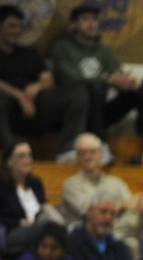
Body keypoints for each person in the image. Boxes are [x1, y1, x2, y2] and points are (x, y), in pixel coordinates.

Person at [0, 5, 87, 162]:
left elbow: (48, 78)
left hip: (37, 106)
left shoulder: (29, 53)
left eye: (19, 26)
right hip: (8, 108)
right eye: (11, 26)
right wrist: (20, 96)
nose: (16, 31)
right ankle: (10, 149)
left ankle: (67, 150)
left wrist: (37, 86)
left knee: (78, 92)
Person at [50, 4, 138, 141]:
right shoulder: (62, 48)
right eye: (85, 19)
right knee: (89, 88)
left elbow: (116, 75)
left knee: (137, 93)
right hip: (71, 107)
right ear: (74, 24)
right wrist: (106, 80)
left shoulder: (105, 50)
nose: (91, 24)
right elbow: (70, 78)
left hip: (99, 109)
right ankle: (96, 139)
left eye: (95, 20)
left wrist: (125, 82)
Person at [61, 132, 143, 259]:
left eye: (92, 152)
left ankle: (114, 240)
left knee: (132, 237)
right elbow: (90, 212)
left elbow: (133, 205)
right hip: (88, 234)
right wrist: (122, 205)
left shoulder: (115, 182)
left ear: (100, 155)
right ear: (77, 157)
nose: (88, 157)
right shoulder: (71, 185)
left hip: (116, 228)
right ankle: (112, 237)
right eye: (83, 153)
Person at [0, 140, 53, 255]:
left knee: (51, 228)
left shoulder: (36, 183)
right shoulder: (2, 187)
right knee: (49, 229)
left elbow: (43, 207)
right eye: (22, 156)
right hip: (13, 232)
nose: (28, 160)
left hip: (39, 227)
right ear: (9, 161)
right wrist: (18, 222)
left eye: (30, 155)